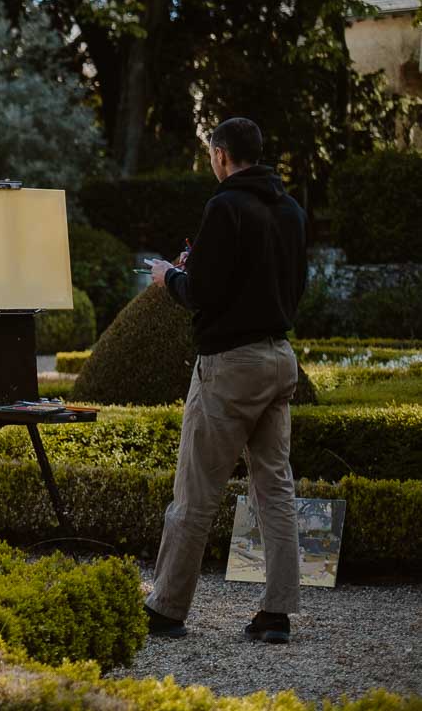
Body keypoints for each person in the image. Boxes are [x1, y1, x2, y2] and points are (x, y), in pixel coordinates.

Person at [144, 117, 307, 645]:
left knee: (195, 492)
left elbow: (202, 293)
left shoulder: (225, 206)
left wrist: (169, 276)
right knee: (275, 490)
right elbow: (291, 285)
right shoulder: (290, 210)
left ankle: (167, 608)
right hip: (280, 358)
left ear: (220, 155)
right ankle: (277, 615)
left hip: (230, 365)